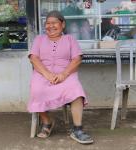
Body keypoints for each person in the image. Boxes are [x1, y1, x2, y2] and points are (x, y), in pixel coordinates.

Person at [27, 10, 93, 144]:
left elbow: (77, 59)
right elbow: (34, 58)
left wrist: (63, 74)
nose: (50, 26)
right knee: (37, 89)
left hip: (66, 74)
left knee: (76, 90)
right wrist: (47, 74)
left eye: (54, 23)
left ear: (62, 24)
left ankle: (77, 129)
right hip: (42, 74)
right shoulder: (39, 39)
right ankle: (47, 122)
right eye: (47, 23)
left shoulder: (70, 39)